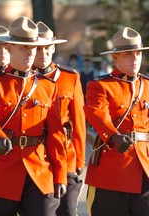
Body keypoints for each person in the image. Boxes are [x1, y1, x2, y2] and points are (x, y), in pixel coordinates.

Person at [0, 16, 67, 216]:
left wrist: (61, 175)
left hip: (38, 169)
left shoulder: (48, 86)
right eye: (23, 48)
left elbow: (57, 134)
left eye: (33, 48)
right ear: (10, 48)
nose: (30, 54)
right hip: (3, 167)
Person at [84, 26, 149, 216]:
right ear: (115, 57)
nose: (135, 58)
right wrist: (113, 136)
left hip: (144, 168)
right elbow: (97, 113)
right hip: (113, 171)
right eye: (128, 54)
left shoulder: (147, 86)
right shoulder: (100, 86)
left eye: (137, 53)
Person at [33, 21, 86, 216]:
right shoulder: (23, 80)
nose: (43, 53)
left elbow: (79, 122)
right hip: (36, 154)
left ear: (53, 48)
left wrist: (79, 160)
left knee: (68, 211)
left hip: (66, 154)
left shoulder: (69, 77)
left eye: (47, 48)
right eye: (38, 49)